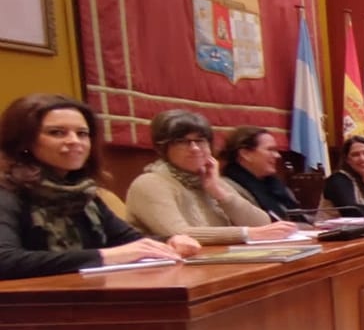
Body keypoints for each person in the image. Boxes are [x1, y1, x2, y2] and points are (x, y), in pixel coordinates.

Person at [0, 94, 199, 279]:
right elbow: (5, 260)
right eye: (57, 133)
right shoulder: (6, 191)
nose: (74, 141)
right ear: (24, 141)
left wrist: (169, 241)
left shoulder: (82, 192)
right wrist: (104, 255)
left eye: (82, 133)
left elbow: (129, 240)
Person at [128, 110, 300, 244]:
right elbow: (177, 233)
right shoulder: (150, 183)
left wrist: (219, 192)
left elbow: (262, 223)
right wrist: (246, 234)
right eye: (183, 142)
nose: (195, 148)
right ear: (163, 148)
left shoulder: (210, 178)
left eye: (200, 140)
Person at [219, 126, 303, 221]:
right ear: (245, 154)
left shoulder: (276, 185)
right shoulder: (228, 188)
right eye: (270, 150)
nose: (277, 155)